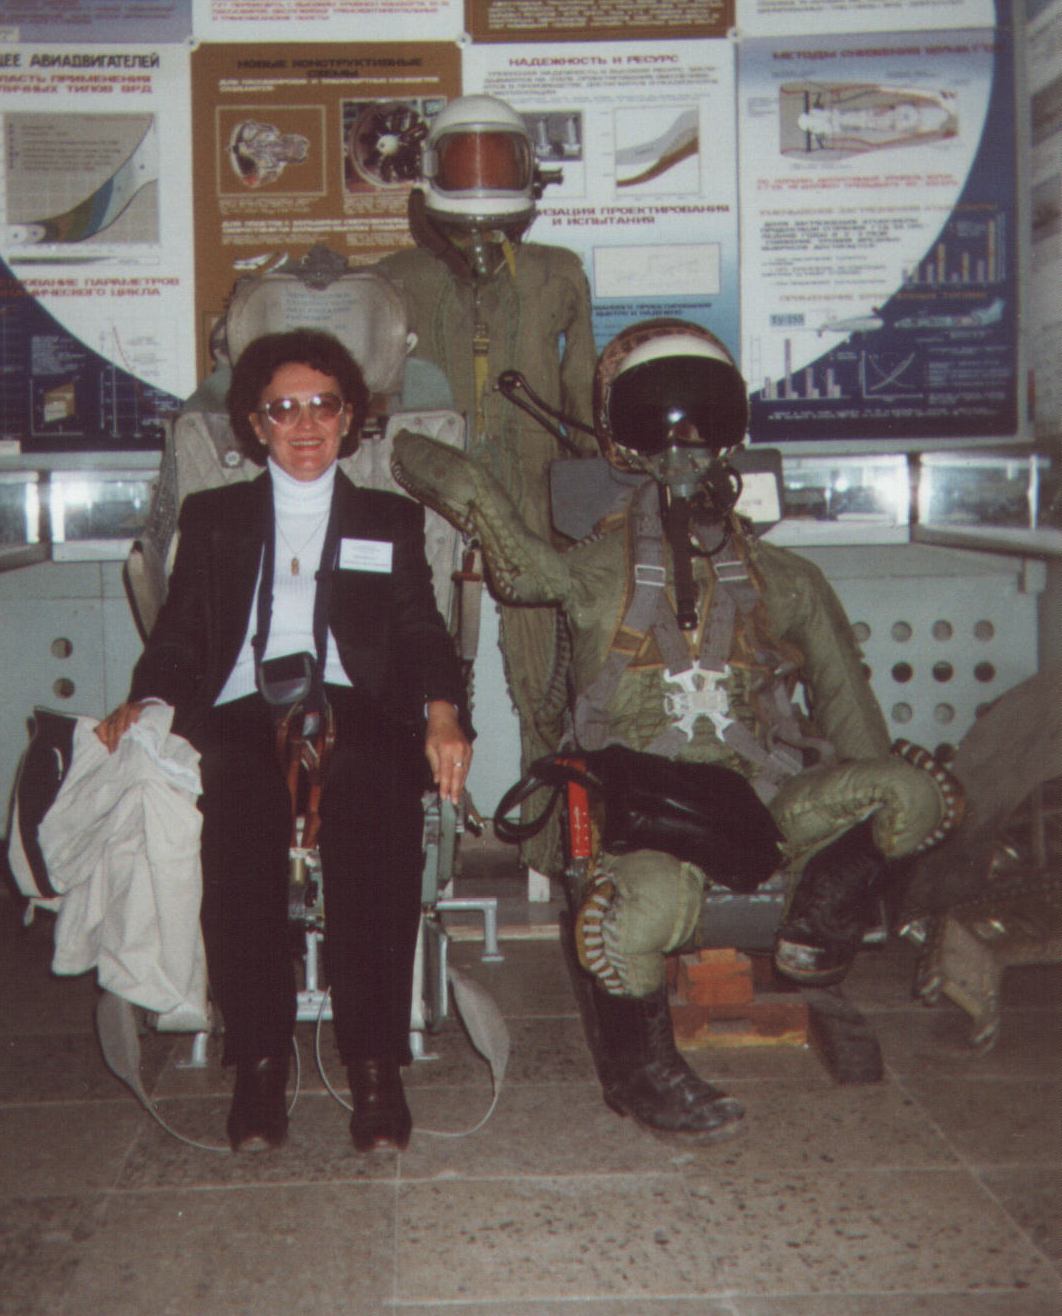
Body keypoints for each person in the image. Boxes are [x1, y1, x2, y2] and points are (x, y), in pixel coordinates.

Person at [393, 320, 959, 1138]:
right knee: (633, 917)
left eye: (704, 418)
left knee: (916, 791)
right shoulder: (593, 570)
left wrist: (866, 842)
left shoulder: (788, 581)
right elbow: (515, 567)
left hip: (772, 802)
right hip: (654, 813)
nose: (684, 444)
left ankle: (816, 924)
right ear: (622, 440)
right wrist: (440, 464)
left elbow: (851, 714)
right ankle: (643, 1075)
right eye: (660, 419)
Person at [97, 328, 472, 1153]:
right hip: (241, 706)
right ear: (255, 423)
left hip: (358, 706)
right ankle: (261, 1062)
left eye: (323, 406)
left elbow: (420, 630)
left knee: (375, 800)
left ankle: (374, 1066)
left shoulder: (389, 519)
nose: (306, 425)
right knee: (235, 810)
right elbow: (181, 635)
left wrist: (443, 712)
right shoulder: (215, 517)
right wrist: (147, 701)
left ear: (350, 418)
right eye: (284, 409)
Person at [379, 95, 597, 863]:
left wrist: (594, 501)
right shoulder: (395, 279)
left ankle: (556, 854)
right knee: (422, 672)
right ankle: (415, 850)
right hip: (425, 487)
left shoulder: (556, 275)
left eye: (498, 161)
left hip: (532, 487)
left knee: (547, 678)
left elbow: (581, 396)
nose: (481, 180)